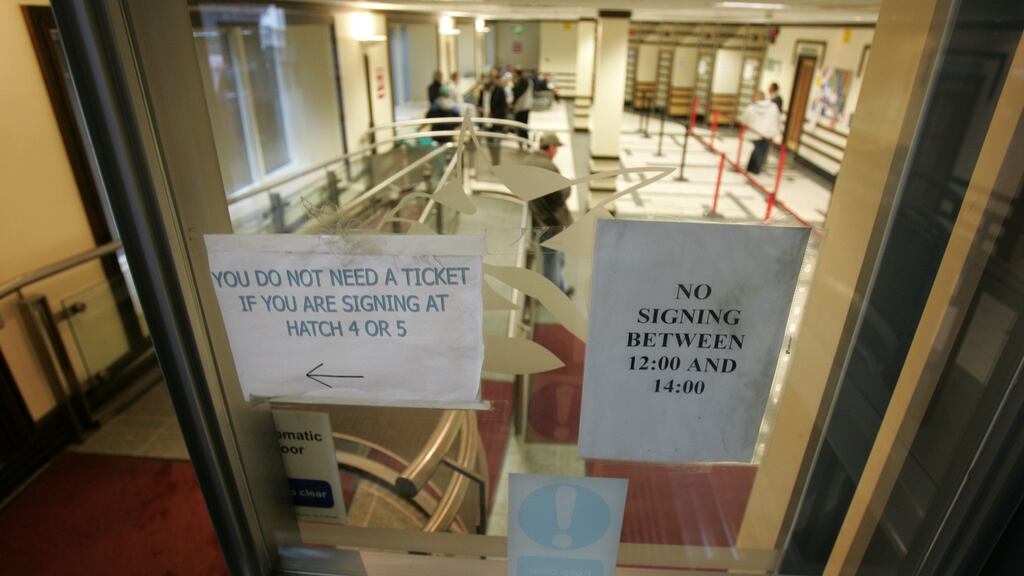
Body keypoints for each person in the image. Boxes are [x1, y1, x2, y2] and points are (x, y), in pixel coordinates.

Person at [523, 133, 573, 295]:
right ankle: (554, 291)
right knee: (553, 257)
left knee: (553, 255)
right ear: (551, 147)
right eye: (556, 148)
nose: (556, 152)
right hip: (551, 219)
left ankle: (561, 285)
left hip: (537, 216)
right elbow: (560, 195)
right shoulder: (549, 167)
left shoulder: (527, 161)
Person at [740, 90, 781, 175]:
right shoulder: (773, 107)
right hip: (768, 133)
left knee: (757, 150)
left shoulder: (751, 108)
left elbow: (744, 119)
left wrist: (745, 128)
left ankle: (754, 169)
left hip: (755, 132)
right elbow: (776, 119)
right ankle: (755, 168)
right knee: (762, 150)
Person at [511, 67, 534, 142]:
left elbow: (517, 93)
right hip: (525, 106)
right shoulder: (526, 81)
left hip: (522, 107)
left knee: (522, 126)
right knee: (522, 126)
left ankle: (525, 142)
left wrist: (512, 103)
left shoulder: (523, 81)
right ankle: (523, 141)